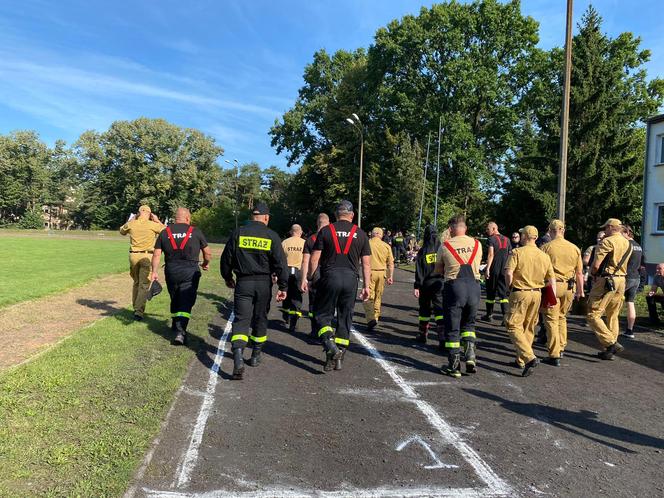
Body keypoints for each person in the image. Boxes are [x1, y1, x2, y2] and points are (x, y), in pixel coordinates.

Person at [220, 202, 288, 380]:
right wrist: (283, 286)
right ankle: (256, 355)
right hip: (264, 284)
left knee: (241, 319)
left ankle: (237, 358)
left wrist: (227, 277)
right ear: (266, 218)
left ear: (252, 217)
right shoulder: (272, 235)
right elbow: (281, 264)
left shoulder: (238, 232)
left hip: (243, 282)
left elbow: (226, 258)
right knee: (260, 318)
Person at [304, 200, 371, 372]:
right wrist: (367, 286)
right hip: (351, 280)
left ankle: (330, 346)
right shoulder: (361, 234)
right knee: (345, 318)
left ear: (336, 214)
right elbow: (366, 263)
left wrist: (311, 277)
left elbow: (314, 259)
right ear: (352, 215)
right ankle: (338, 355)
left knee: (321, 316)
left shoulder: (326, 231)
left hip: (329, 277)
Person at [150, 208, 211, 345]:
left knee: (175, 297)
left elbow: (156, 254)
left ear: (175, 218)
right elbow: (207, 253)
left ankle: (175, 323)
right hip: (190, 271)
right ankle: (180, 332)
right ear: (188, 219)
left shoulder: (165, 232)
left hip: (171, 271)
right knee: (186, 301)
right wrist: (206, 264)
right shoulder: (195, 232)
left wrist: (154, 272)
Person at [504, 225, 555, 377]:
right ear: (536, 238)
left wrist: (510, 287)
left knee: (512, 324)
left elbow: (508, 272)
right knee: (528, 327)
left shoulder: (517, 252)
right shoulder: (544, 256)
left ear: (525, 237)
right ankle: (521, 360)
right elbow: (551, 280)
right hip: (537, 293)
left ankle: (529, 357)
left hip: (521, 292)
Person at [434, 215, 482, 378]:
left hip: (455, 287)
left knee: (453, 327)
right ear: (465, 228)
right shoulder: (477, 243)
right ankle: (470, 357)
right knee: (469, 325)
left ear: (451, 229)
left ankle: (453, 365)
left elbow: (438, 270)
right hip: (475, 287)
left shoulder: (445, 245)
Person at [586, 218, 632, 360]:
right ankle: (609, 350)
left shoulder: (607, 241)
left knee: (593, 313)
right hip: (621, 280)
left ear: (612, 228)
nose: (605, 231)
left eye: (606, 228)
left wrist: (593, 275)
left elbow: (595, 265)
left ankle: (611, 343)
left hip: (606, 280)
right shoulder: (628, 243)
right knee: (613, 314)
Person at [539, 220, 584, 365]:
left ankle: (554, 353)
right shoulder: (575, 248)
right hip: (570, 287)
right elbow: (579, 273)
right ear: (563, 230)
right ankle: (562, 346)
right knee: (562, 317)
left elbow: (540, 270)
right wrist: (581, 291)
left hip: (552, 286)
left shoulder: (546, 247)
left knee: (551, 319)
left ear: (551, 231)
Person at [119, 205, 164, 320]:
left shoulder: (132, 223)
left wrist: (131, 220)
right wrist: (157, 220)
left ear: (138, 213)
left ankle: (135, 306)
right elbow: (166, 231)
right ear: (149, 214)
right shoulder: (153, 225)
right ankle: (138, 312)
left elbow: (122, 231)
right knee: (144, 284)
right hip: (147, 256)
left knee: (136, 282)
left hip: (133, 255)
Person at [300, 213, 330, 337]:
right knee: (327, 304)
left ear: (317, 223)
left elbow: (305, 261)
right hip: (329, 273)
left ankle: (314, 331)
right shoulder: (331, 237)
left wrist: (304, 279)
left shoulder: (310, 239)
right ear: (328, 223)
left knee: (313, 304)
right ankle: (326, 332)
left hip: (315, 274)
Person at [414, 224, 444, 348]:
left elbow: (419, 270)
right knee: (440, 311)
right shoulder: (442, 248)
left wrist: (417, 286)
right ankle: (442, 337)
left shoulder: (423, 251)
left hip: (426, 284)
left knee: (424, 309)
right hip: (439, 284)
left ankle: (423, 334)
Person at [364, 227, 394, 332]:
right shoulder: (386, 246)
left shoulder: (367, 243)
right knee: (378, 296)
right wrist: (390, 276)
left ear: (372, 234)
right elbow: (391, 263)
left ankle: (370, 318)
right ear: (381, 235)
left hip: (370, 272)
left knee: (368, 296)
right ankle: (376, 317)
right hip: (382, 273)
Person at [482, 222, 512, 323]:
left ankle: (489, 315)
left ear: (494, 228)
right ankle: (505, 318)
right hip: (504, 269)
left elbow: (491, 254)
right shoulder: (507, 239)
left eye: (488, 229)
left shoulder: (491, 239)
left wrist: (487, 269)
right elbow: (510, 255)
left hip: (494, 269)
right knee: (504, 295)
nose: (486, 231)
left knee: (491, 292)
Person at [281, 224, 306, 332]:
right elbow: (307, 260)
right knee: (296, 297)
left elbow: (280, 259)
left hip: (286, 271)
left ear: (291, 232)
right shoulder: (304, 243)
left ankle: (286, 316)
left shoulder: (285, 242)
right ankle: (293, 323)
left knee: (285, 293)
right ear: (300, 232)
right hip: (299, 272)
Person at [622, 225, 645, 338]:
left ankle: (609, 328)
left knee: (613, 300)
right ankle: (630, 330)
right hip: (636, 277)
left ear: (627, 233)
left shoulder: (626, 244)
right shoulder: (638, 246)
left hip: (626, 277)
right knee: (630, 303)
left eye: (622, 233)